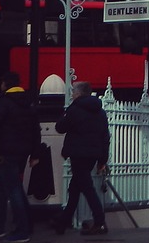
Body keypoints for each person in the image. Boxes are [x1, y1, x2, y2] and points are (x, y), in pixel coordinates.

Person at [0, 72, 40, 243]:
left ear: (4, 84)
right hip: (23, 150)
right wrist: (35, 154)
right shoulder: (28, 102)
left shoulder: (3, 103)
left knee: (13, 191)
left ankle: (22, 229)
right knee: (1, 188)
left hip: (6, 151)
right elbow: (36, 130)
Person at [52, 82, 110, 237]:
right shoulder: (100, 112)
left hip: (78, 154)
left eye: (73, 92)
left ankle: (99, 221)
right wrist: (102, 160)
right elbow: (105, 137)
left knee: (86, 188)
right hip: (93, 155)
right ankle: (62, 223)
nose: (72, 95)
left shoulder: (74, 109)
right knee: (75, 189)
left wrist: (65, 114)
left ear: (78, 94)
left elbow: (60, 127)